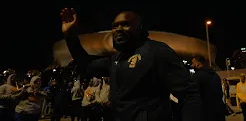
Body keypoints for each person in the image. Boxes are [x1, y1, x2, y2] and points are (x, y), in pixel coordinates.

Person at [60, 8, 202, 121]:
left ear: (139, 28)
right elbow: (87, 65)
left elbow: (188, 95)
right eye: (115, 26)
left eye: (125, 24)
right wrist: (70, 36)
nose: (118, 29)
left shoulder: (157, 51)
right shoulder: (116, 59)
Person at [191, 56, 225, 121]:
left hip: (206, 113)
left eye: (193, 63)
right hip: (219, 111)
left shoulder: (197, 76)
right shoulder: (215, 75)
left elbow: (194, 96)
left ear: (198, 63)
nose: (192, 65)